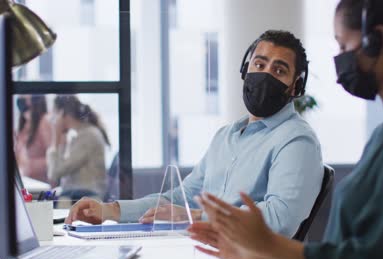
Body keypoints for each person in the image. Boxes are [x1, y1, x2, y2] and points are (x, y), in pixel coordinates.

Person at [189, 0, 383, 259]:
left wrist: (268, 244)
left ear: (377, 39)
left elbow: (373, 257)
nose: (341, 58)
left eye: (343, 44)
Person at [65, 30, 324, 238]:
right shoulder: (226, 136)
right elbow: (179, 199)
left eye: (279, 70)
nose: (265, 74)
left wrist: (198, 216)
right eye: (259, 64)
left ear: (294, 87)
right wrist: (111, 210)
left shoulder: (296, 140)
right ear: (246, 71)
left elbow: (281, 219)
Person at [47, 95, 110, 200]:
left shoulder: (88, 136)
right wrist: (62, 142)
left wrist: (56, 139)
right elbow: (56, 173)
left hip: (86, 195)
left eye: (54, 115)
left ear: (62, 113)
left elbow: (55, 174)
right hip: (78, 193)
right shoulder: (81, 134)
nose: (52, 121)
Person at [14, 95, 52, 183]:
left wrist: (30, 165)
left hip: (43, 186)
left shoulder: (45, 122)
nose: (22, 104)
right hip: (27, 183)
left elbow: (54, 159)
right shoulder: (23, 125)